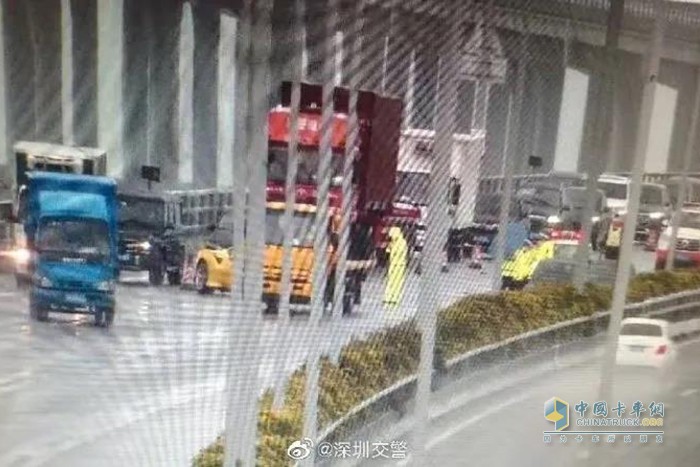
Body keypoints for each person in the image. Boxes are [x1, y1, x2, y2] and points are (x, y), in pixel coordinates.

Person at [384, 226, 408, 306]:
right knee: (391, 281)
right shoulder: (394, 243)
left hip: (399, 265)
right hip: (394, 264)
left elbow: (392, 252)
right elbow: (388, 252)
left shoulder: (401, 243)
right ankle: (388, 297)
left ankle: (394, 298)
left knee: (396, 282)